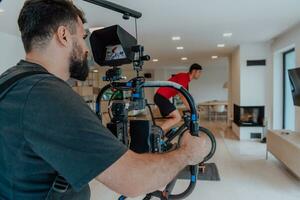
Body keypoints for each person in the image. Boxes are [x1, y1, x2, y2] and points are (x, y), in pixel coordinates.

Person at [0, 0, 206, 199]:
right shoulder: (50, 96)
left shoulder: (9, 81)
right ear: (63, 35)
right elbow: (133, 180)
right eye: (82, 37)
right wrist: (187, 153)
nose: (86, 48)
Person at [154, 64, 203, 132]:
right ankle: (156, 133)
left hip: (162, 97)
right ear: (194, 71)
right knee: (177, 117)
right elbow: (182, 95)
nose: (200, 74)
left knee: (174, 118)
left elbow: (186, 96)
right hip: (161, 97)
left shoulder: (186, 80)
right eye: (199, 72)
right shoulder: (184, 77)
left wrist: (193, 106)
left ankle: (159, 132)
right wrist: (191, 108)